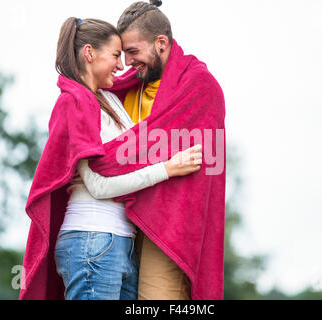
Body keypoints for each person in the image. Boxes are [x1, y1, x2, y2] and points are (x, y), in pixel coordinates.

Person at [19, 17, 202, 300]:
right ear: (89, 53)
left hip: (118, 244)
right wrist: (168, 168)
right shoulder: (73, 103)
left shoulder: (109, 99)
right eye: (116, 55)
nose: (121, 65)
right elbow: (100, 186)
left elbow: (136, 153)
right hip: (92, 241)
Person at [87, 0, 226, 300]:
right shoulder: (123, 90)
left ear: (161, 43)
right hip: (119, 221)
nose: (127, 63)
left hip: (167, 229)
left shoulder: (200, 87)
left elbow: (207, 166)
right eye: (122, 54)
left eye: (134, 52)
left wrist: (102, 161)